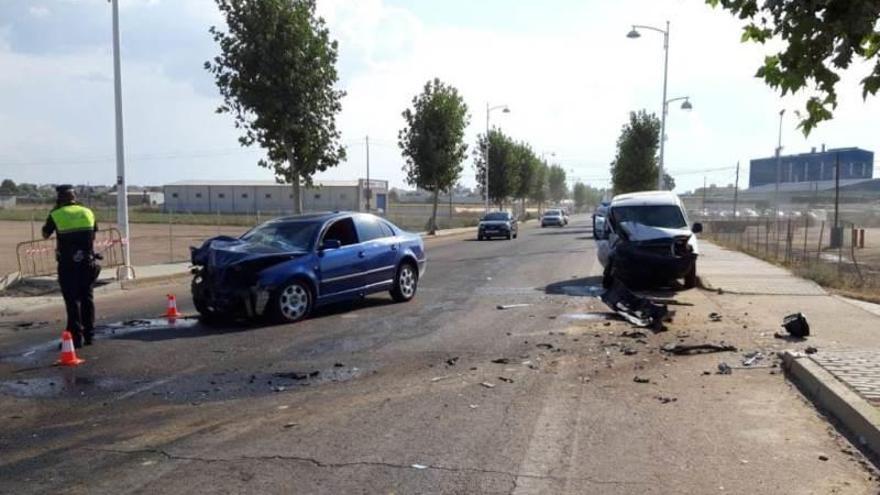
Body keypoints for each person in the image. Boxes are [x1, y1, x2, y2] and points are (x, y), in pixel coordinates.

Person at [42, 185, 99, 348]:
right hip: (87, 262)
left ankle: (76, 337)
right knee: (87, 298)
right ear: (75, 197)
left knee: (72, 301)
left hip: (67, 264)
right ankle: (90, 335)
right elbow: (93, 234)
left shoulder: (56, 214)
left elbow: (45, 234)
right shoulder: (88, 212)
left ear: (60, 198)